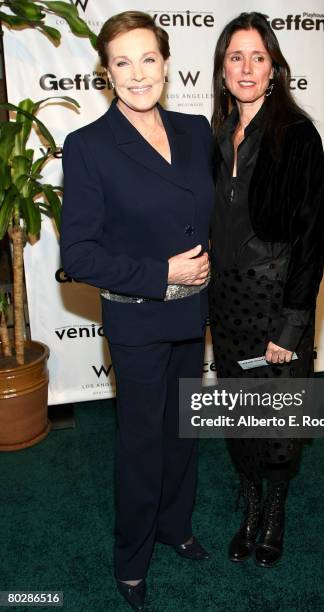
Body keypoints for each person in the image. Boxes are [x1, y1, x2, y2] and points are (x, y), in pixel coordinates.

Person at [60, 11, 214, 611]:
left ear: (167, 63)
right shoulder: (90, 146)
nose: (137, 73)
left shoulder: (196, 129)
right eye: (122, 62)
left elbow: (212, 217)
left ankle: (177, 527)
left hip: (191, 312)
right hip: (138, 319)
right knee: (142, 441)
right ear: (107, 74)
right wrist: (163, 273)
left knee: (183, 431)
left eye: (147, 58)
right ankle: (132, 559)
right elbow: (79, 254)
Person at [209, 12, 324, 568]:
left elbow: (313, 237)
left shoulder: (298, 136)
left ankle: (275, 509)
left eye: (258, 56)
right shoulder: (214, 134)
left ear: (275, 68)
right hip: (227, 301)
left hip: (275, 296)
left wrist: (292, 323)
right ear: (222, 69)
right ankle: (250, 504)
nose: (247, 67)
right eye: (236, 56)